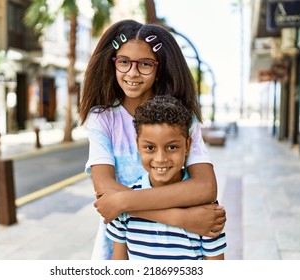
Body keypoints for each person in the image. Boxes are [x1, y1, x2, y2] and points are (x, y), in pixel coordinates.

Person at [79, 19, 226, 260]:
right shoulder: (102, 119)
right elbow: (105, 192)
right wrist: (180, 218)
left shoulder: (182, 118)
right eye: (124, 62)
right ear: (113, 64)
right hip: (121, 246)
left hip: (182, 246)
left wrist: (123, 201)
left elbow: (205, 187)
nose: (132, 73)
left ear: (159, 69)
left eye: (145, 64)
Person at [106, 95, 227, 260]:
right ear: (138, 145)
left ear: (188, 145)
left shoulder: (205, 209)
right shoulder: (125, 204)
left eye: (172, 147)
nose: (161, 158)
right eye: (150, 147)